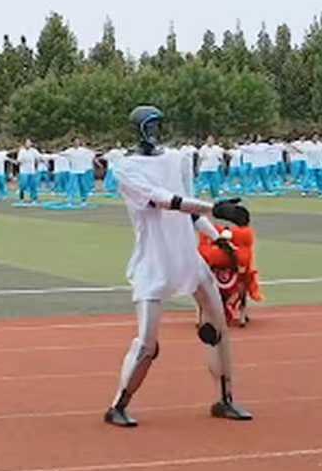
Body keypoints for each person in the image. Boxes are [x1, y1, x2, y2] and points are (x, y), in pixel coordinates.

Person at [105, 105, 254, 428]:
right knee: (147, 342)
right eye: (149, 126)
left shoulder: (176, 159)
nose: (154, 132)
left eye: (157, 125)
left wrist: (217, 237)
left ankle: (225, 399)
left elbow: (189, 211)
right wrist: (216, 209)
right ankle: (119, 404)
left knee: (218, 328)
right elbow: (164, 200)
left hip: (188, 256)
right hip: (154, 260)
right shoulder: (127, 168)